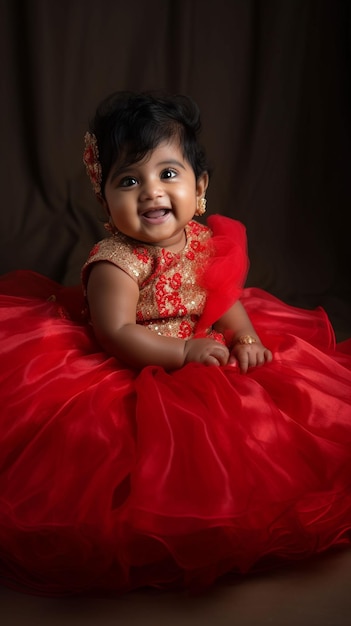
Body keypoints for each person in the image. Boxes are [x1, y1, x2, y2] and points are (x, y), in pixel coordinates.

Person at [0, 90, 351, 597]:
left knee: (264, 419)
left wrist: (245, 335)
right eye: (128, 180)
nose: (150, 192)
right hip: (136, 359)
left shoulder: (204, 242)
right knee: (149, 449)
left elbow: (222, 296)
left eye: (167, 174)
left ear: (199, 186)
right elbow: (115, 332)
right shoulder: (115, 261)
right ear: (104, 199)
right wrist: (181, 353)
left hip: (201, 345)